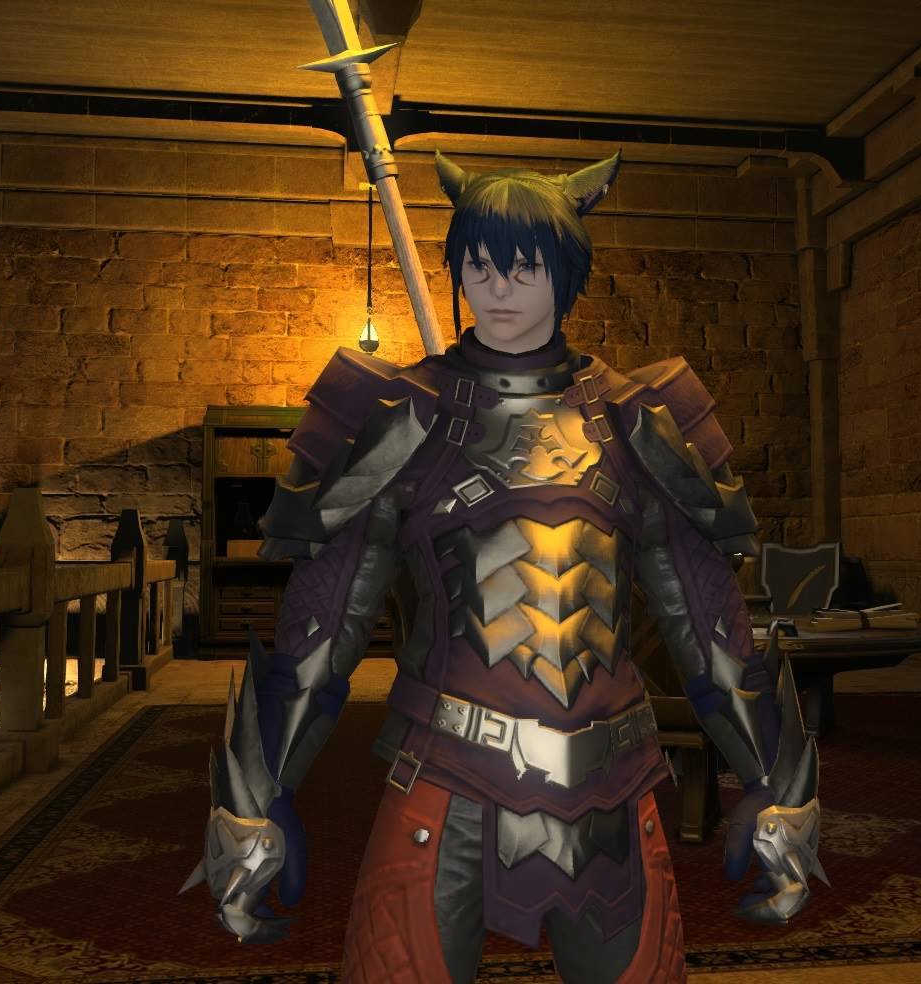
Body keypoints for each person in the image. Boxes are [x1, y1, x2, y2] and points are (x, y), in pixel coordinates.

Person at [181, 151, 824, 983]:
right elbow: (325, 625)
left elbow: (706, 625)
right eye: (479, 265)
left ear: (565, 272)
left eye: (523, 267)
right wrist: (257, 795)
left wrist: (774, 782)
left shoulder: (635, 419)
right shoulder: (405, 416)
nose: (497, 288)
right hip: (445, 780)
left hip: (613, 789)